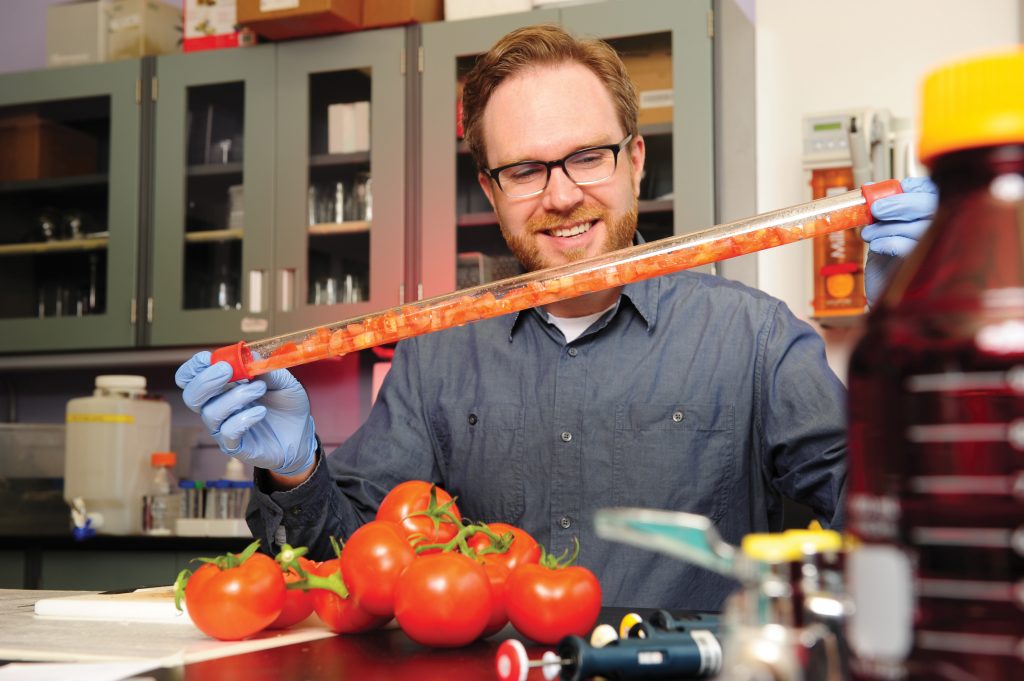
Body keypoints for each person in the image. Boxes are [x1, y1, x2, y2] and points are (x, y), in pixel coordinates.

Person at [176, 25, 936, 611]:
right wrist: (298, 466)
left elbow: (896, 526)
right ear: (491, 189)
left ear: (635, 160)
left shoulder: (758, 339)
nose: (562, 194)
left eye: (588, 157)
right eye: (526, 169)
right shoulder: (438, 354)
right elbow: (349, 572)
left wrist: (915, 348)